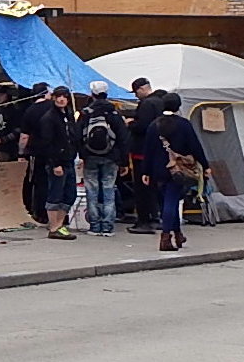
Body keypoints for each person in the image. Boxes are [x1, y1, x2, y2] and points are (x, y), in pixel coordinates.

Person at [146, 92, 209, 252]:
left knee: (167, 202)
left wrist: (145, 171)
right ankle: (166, 237)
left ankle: (178, 234)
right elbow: (195, 146)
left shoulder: (154, 125)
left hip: (158, 169)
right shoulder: (184, 124)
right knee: (171, 202)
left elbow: (148, 150)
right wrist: (205, 165)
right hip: (178, 171)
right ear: (178, 106)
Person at [79, 80, 129, 236]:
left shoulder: (86, 113)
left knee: (92, 190)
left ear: (91, 94)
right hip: (111, 157)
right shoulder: (114, 113)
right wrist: (123, 161)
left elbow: (77, 135)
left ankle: (94, 225)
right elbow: (123, 138)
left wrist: (82, 155)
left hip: (90, 156)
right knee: (109, 190)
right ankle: (107, 226)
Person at [31, 86, 80, 240]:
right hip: (57, 161)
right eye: (58, 96)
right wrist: (54, 163)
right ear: (53, 97)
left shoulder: (68, 115)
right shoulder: (49, 118)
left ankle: (59, 224)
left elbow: (73, 137)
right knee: (55, 193)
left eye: (64, 96)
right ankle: (54, 226)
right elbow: (47, 143)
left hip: (69, 159)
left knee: (70, 194)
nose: (61, 99)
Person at [125, 78, 165, 234]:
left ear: (142, 89)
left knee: (142, 188)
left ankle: (144, 221)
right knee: (155, 187)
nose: (136, 95)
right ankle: (157, 217)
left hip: (142, 151)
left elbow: (143, 126)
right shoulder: (161, 102)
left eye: (136, 92)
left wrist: (130, 124)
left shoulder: (147, 104)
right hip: (159, 152)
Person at [17, 83, 53, 228]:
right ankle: (57, 214)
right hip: (56, 151)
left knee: (39, 182)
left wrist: (21, 153)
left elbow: (24, 136)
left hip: (36, 152)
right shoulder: (54, 108)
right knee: (56, 183)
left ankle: (40, 212)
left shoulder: (30, 111)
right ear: (46, 93)